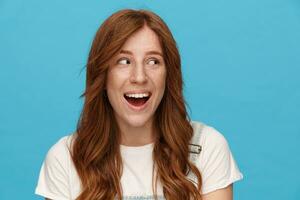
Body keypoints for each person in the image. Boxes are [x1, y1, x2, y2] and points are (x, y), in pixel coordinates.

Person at [35, 9, 243, 200]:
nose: (139, 77)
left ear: (168, 75)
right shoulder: (65, 158)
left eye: (153, 61)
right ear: (103, 76)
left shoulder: (206, 147)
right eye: (124, 61)